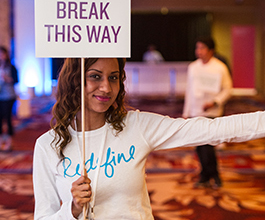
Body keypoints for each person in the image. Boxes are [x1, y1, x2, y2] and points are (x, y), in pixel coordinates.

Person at [33, 57, 265, 220]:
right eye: (95, 76)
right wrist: (72, 210)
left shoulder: (135, 126)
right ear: (74, 80)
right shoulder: (47, 146)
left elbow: (212, 130)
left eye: (113, 77)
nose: (106, 87)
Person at [182, 37, 233, 188]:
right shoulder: (193, 67)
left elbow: (228, 89)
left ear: (211, 50)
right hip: (196, 111)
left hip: (213, 111)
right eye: (197, 48)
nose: (199, 51)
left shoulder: (220, 67)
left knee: (208, 145)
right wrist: (186, 112)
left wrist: (215, 102)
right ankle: (206, 175)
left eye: (202, 48)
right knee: (199, 146)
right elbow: (189, 91)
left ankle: (213, 175)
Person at [0, 46, 18, 151]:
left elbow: (16, 80)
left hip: (8, 96)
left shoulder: (11, 67)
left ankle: (9, 142)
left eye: (2, 54)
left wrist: (7, 79)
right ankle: (1, 140)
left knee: (7, 118)